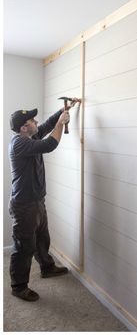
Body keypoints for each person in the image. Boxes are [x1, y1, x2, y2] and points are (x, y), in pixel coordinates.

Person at [8, 99, 81, 302]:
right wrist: (61, 124)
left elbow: (47, 124)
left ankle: (47, 267)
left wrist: (63, 111)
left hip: (36, 200)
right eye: (32, 120)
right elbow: (50, 144)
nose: (36, 121)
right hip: (24, 205)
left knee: (42, 237)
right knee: (24, 247)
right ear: (24, 127)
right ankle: (19, 286)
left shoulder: (29, 137)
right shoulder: (20, 143)